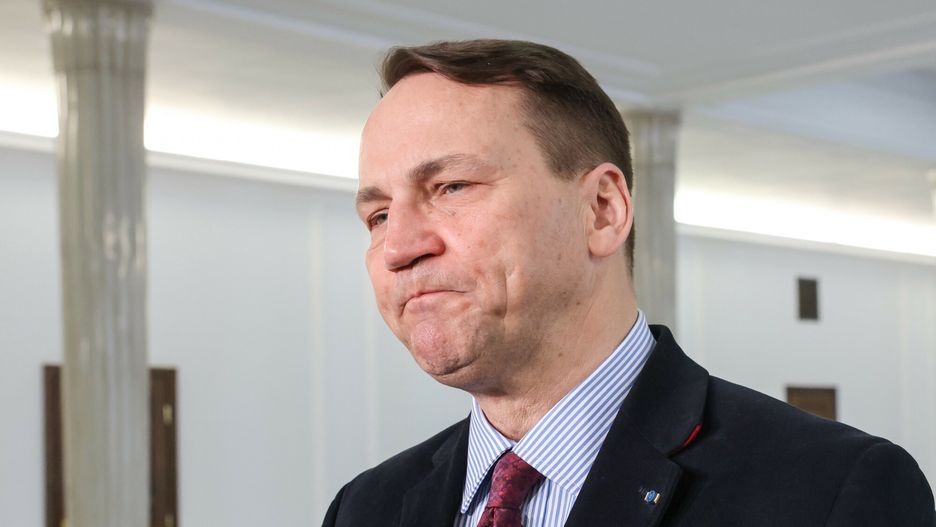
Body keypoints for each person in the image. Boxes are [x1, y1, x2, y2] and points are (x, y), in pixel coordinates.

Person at [323, 39, 935, 526]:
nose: (398, 248)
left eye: (451, 187)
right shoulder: (366, 507)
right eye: (377, 216)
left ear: (602, 211)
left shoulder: (832, 491)